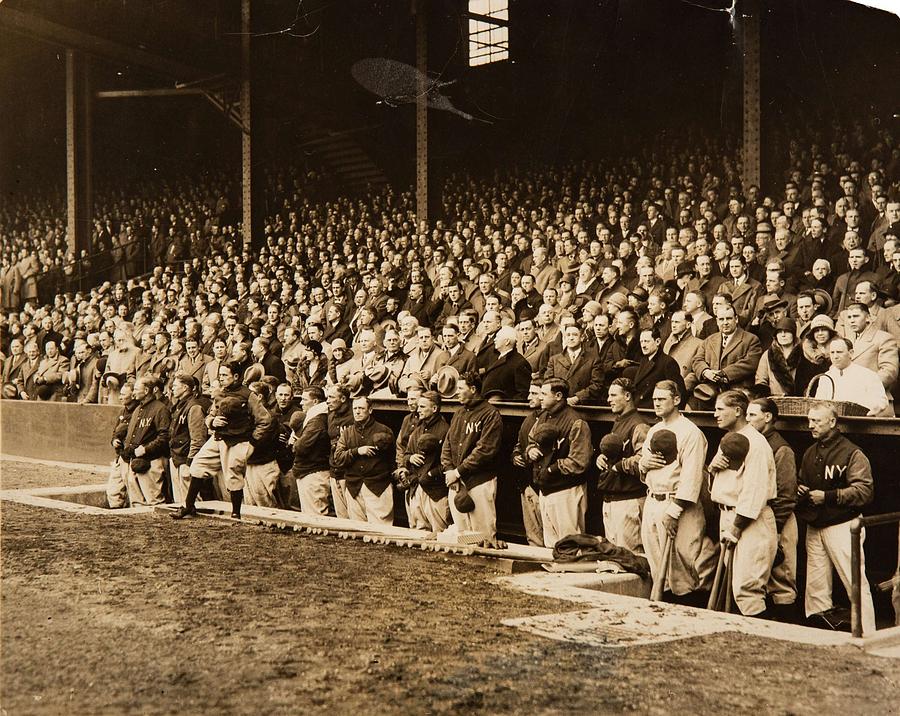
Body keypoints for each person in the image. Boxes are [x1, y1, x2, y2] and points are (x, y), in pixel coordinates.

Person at [797, 403, 876, 635]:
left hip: (843, 525)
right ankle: (818, 635)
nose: (810, 425)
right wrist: (801, 489)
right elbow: (803, 480)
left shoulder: (852, 452)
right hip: (816, 525)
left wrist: (829, 497)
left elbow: (864, 491)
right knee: (816, 586)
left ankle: (867, 633)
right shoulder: (811, 451)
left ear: (832, 422)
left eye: (816, 421)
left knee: (855, 583)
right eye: (810, 420)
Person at [639, 380, 716, 602]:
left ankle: (688, 616)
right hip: (653, 499)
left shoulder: (691, 432)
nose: (656, 403)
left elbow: (692, 478)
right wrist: (644, 465)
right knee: (657, 567)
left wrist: (673, 513)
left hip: (678, 506)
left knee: (682, 569)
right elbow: (644, 468)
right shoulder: (654, 429)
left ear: (677, 400)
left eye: (661, 399)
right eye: (654, 399)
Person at [174, 361, 274, 520]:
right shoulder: (219, 393)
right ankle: (188, 506)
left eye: (225, 375)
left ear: (235, 376)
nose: (221, 378)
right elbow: (210, 416)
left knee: (233, 475)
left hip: (237, 441)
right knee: (198, 466)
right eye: (220, 375)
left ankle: (236, 513)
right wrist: (212, 422)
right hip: (218, 438)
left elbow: (264, 420)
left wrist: (252, 442)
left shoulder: (249, 395)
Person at [707, 391, 778, 617]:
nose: (715, 414)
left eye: (720, 409)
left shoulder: (755, 443)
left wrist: (736, 527)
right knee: (733, 584)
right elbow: (721, 486)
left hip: (750, 520)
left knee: (747, 589)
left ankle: (761, 644)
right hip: (728, 514)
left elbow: (754, 491)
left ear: (738, 411)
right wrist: (712, 469)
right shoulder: (729, 439)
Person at [523, 379, 592, 547]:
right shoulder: (544, 416)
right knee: (550, 544)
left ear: (558, 396)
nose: (540, 398)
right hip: (546, 489)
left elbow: (579, 461)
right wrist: (530, 449)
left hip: (566, 490)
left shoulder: (576, 421)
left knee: (570, 544)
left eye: (544, 394)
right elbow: (531, 439)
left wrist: (552, 470)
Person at [747, 398, 799, 621]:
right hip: (760, 517)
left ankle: (786, 626)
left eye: (752, 415)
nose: (747, 420)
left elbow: (787, 494)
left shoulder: (781, 447)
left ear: (767, 417)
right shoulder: (752, 442)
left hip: (780, 518)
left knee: (781, 576)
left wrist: (775, 529)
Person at [440, 371, 504, 546]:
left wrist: (458, 472)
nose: (457, 392)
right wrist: (449, 471)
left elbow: (485, 450)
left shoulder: (490, 414)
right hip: (456, 481)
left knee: (482, 535)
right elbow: (447, 445)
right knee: (461, 534)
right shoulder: (459, 413)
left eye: (461, 388)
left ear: (473, 389)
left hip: (479, 480)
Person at [596, 378, 649, 552]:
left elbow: (644, 459)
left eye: (613, 395)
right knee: (614, 555)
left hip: (629, 500)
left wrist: (619, 465)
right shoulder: (619, 421)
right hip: (613, 497)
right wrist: (602, 458)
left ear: (627, 396)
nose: (608, 399)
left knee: (631, 555)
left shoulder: (638, 425)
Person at [333, 396, 396, 525]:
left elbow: (392, 459)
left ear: (370, 410)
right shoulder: (347, 433)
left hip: (378, 486)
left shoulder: (383, 430)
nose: (357, 412)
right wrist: (357, 451)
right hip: (354, 486)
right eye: (355, 408)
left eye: (361, 408)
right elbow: (338, 458)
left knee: (381, 529)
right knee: (358, 530)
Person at [691, 303, 763, 409]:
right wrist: (706, 372)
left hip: (738, 392)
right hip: (710, 392)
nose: (725, 323)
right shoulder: (709, 340)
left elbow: (751, 363)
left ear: (736, 319)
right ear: (717, 321)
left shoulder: (751, 339)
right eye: (721, 319)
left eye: (728, 319)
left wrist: (724, 374)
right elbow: (697, 359)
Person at [402, 390, 451, 536]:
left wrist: (430, 474)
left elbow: (449, 462)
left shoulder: (445, 430)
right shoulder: (417, 430)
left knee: (439, 533)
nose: (418, 410)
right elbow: (406, 455)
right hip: (416, 488)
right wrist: (410, 458)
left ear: (434, 408)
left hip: (436, 492)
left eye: (423, 407)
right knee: (418, 533)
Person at [121, 375, 171, 506]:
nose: (134, 392)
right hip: (135, 460)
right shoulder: (138, 409)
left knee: (154, 501)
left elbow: (164, 437)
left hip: (152, 461)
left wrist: (146, 449)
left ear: (147, 390)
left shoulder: (160, 408)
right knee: (136, 503)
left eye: (137, 389)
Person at [815, 337, 890, 416]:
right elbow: (819, 404)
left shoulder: (867, 375)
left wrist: (864, 413)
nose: (835, 356)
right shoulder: (825, 377)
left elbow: (881, 402)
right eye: (832, 352)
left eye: (839, 352)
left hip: (859, 423)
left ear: (851, 353)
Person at [168, 374, 210, 505]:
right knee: (180, 501)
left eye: (175, 386)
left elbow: (198, 439)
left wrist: (190, 463)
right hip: (176, 458)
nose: (172, 389)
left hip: (186, 460)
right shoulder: (180, 405)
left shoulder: (194, 407)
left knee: (191, 501)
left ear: (185, 387)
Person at [290, 385, 332, 515]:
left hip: (314, 473)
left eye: (304, 399)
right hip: (311, 471)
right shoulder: (313, 417)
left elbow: (301, 447)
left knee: (315, 516)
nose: (301, 403)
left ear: (315, 402)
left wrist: (295, 443)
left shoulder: (317, 420)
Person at [511, 384, 545, 547]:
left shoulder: (549, 419)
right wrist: (515, 455)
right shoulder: (529, 418)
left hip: (542, 483)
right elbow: (519, 443)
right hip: (526, 481)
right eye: (529, 392)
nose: (529, 397)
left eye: (534, 393)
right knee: (532, 532)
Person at [542, 323, 604, 405]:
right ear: (564, 338)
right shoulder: (554, 360)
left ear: (581, 337)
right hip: (559, 404)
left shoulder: (593, 359)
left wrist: (578, 397)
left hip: (582, 405)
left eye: (574, 335)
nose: (571, 338)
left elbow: (597, 385)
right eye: (568, 335)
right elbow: (548, 383)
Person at [627, 327, 685, 408]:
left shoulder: (668, 363)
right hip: (641, 410)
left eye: (647, 341)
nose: (643, 345)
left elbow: (678, 393)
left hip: (655, 412)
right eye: (641, 342)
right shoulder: (644, 361)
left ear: (657, 341)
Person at [481, 325, 531, 401]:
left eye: (497, 337)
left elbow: (523, 393)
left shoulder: (519, 363)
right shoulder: (495, 357)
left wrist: (505, 403)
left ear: (507, 341)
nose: (494, 340)